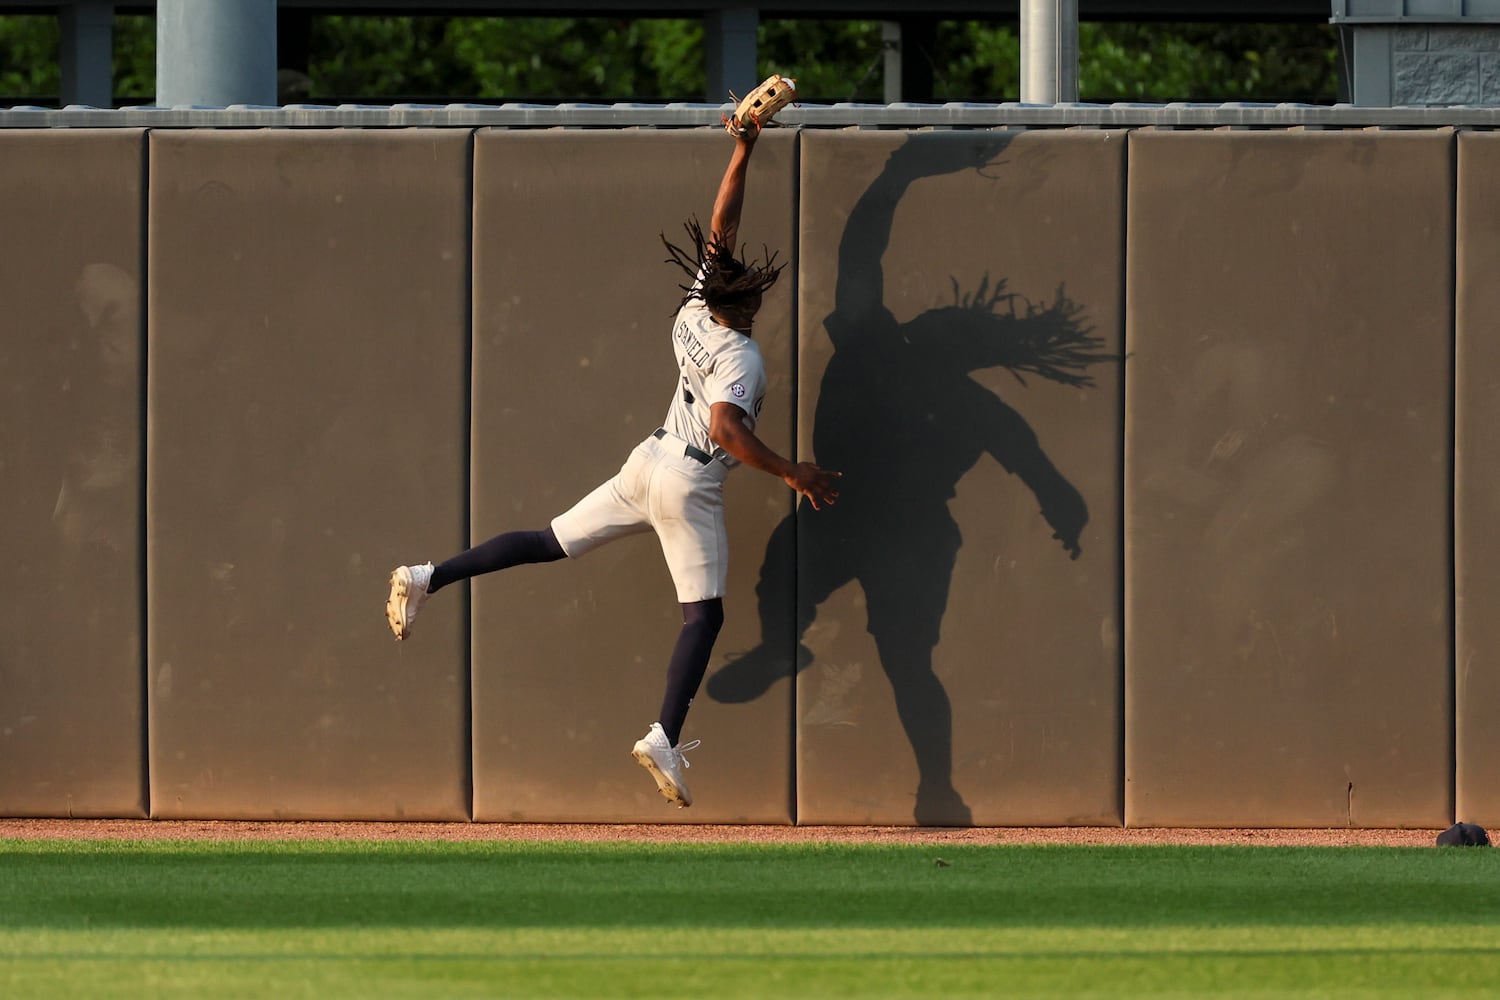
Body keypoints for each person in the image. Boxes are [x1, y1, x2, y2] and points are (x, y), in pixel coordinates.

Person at [385, 125, 841, 809]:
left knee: (546, 541)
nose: (753, 285)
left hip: (646, 463)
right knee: (703, 620)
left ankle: (426, 576)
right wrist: (792, 473)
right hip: (689, 483)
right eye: (749, 284)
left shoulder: (694, 309)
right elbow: (725, 428)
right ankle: (663, 737)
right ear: (740, 301)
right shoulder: (741, 357)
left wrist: (742, 151)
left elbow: (722, 223)